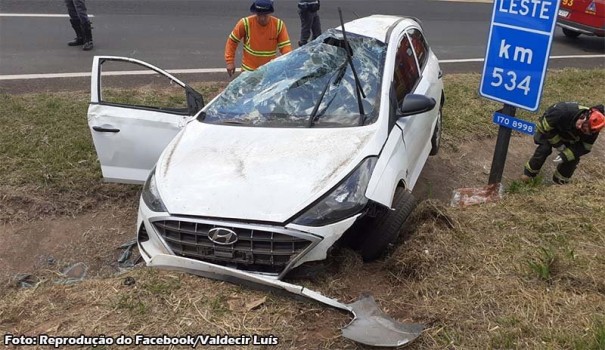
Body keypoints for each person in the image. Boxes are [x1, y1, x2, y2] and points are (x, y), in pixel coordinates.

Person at [522, 102, 605, 184]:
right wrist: (559, 144)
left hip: (569, 136)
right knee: (544, 148)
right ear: (584, 116)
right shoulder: (562, 111)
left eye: (584, 130)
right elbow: (546, 128)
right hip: (550, 129)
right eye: (583, 125)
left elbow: (584, 147)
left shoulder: (593, 131)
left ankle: (560, 181)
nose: (579, 127)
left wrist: (565, 155)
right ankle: (529, 174)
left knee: (572, 157)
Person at [224, 0, 292, 77]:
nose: (262, 18)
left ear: (270, 13)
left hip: (268, 71)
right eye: (259, 15)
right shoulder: (245, 23)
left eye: (265, 15)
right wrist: (230, 62)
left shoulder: (278, 25)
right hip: (249, 71)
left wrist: (289, 63)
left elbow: (286, 48)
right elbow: (232, 41)